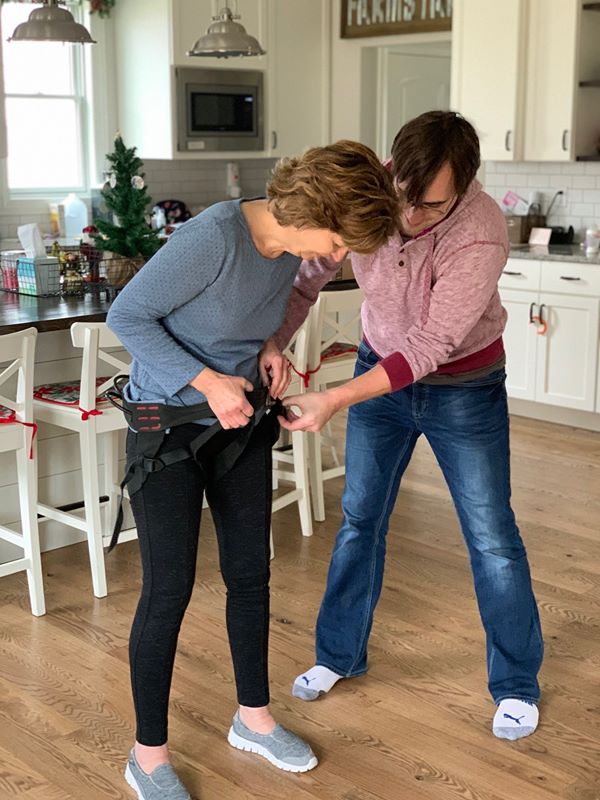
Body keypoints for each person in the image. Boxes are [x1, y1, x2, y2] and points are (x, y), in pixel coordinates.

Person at [106, 140, 399, 800]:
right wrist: (209, 380)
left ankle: (253, 718)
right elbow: (127, 314)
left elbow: (261, 316)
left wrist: (269, 347)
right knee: (168, 589)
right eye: (338, 239)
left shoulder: (291, 254)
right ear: (313, 208)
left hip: (239, 426)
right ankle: (146, 756)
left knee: (250, 574)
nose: (337, 256)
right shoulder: (215, 236)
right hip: (165, 428)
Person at [270, 111, 544, 742]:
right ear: (392, 170)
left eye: (432, 206)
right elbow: (308, 276)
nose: (412, 217)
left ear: (466, 185)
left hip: (463, 388)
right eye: (406, 198)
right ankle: (338, 654)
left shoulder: (481, 233)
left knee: (492, 538)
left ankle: (516, 683)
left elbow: (428, 347)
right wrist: (274, 341)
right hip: (377, 373)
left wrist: (335, 398)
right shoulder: (371, 190)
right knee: (360, 519)